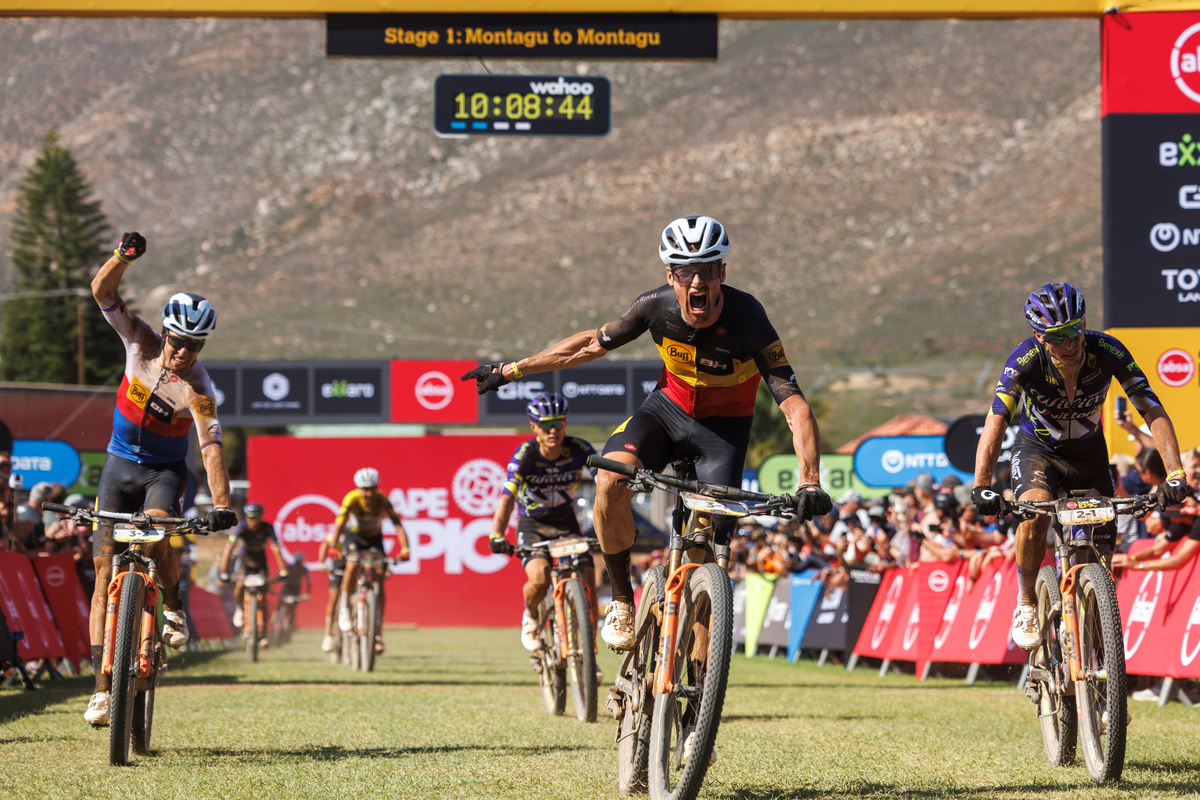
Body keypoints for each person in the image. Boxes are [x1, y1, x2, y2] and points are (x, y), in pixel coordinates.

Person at [463, 214, 831, 653]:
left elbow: (794, 405)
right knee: (609, 480)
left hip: (724, 432)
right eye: (684, 271)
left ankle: (697, 683)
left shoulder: (750, 318)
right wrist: (511, 370)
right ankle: (621, 599)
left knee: (705, 557)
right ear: (670, 277)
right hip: (666, 412)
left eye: (708, 269)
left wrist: (810, 479)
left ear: (722, 273)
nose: (697, 281)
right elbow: (587, 345)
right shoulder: (655, 306)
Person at [971, 282, 1191, 651]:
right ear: (1041, 337)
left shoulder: (1107, 350)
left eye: (1076, 328)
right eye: (1058, 335)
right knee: (1035, 513)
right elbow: (996, 420)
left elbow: (1151, 408)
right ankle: (1026, 601)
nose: (1070, 341)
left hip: (1089, 455)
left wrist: (1176, 473)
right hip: (1038, 451)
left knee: (1098, 555)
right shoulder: (1025, 360)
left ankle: (1100, 671)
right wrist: (982, 484)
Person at [84, 231, 238, 727]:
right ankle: (101, 690)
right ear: (165, 334)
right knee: (104, 572)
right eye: (179, 342)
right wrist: (122, 257)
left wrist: (221, 504)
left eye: (195, 346)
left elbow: (211, 447)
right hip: (117, 466)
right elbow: (102, 293)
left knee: (154, 537)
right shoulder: (139, 341)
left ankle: (173, 605)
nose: (184, 353)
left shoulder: (200, 388)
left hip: (165, 474)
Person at [488, 393, 599, 654]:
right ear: (533, 426)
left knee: (588, 577)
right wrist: (496, 534)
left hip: (566, 523)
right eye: (546, 424)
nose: (553, 430)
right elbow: (506, 499)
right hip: (533, 525)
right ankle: (531, 616)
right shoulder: (526, 454)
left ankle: (588, 648)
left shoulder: (579, 449)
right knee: (538, 579)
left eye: (559, 423)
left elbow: (606, 482)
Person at [326, 468, 411, 655]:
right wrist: (333, 546)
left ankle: (378, 631)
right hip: (354, 538)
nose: (369, 494)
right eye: (365, 489)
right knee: (353, 564)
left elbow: (398, 525)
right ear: (358, 489)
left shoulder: (382, 499)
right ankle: (344, 607)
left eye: (372, 489)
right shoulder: (351, 499)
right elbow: (339, 524)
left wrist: (405, 549)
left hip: (374, 539)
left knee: (380, 576)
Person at [217, 503, 286, 645]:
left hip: (260, 563)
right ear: (246, 517)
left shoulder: (267, 528)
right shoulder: (241, 528)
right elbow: (228, 549)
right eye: (250, 517)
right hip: (244, 562)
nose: (254, 521)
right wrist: (223, 571)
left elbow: (275, 548)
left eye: (257, 518)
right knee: (239, 585)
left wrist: (283, 569)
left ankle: (264, 634)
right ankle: (239, 609)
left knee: (263, 596)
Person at [316, 536, 347, 653]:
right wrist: (321, 562)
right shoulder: (339, 533)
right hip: (338, 568)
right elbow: (325, 545)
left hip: (354, 569)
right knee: (334, 597)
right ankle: (328, 634)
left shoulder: (362, 531)